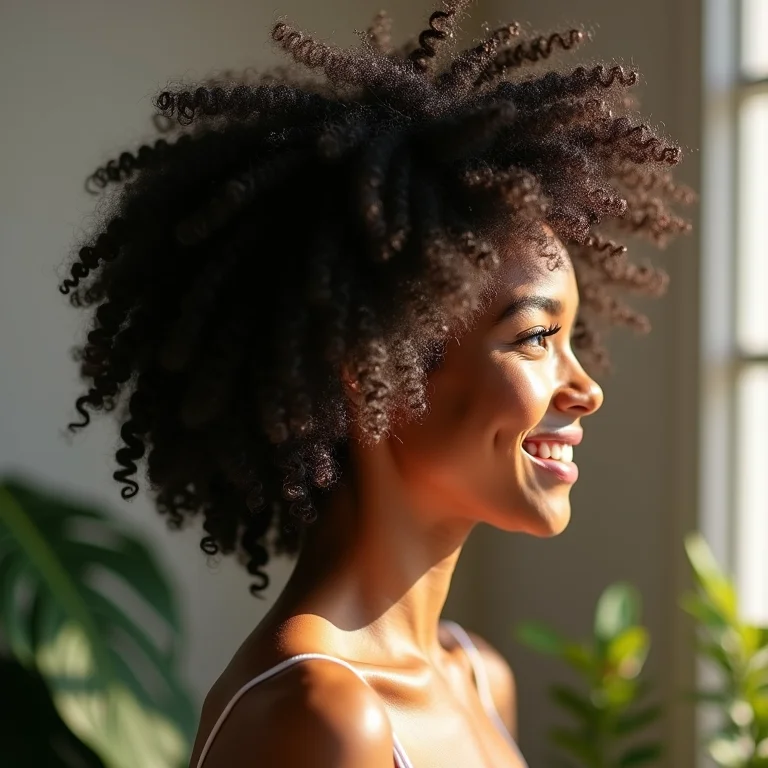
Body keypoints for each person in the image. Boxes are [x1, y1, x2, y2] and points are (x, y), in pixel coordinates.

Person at [59, 2, 692, 765]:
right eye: (535, 338)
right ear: (370, 372)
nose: (585, 387)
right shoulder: (318, 718)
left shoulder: (478, 676)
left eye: (570, 339)